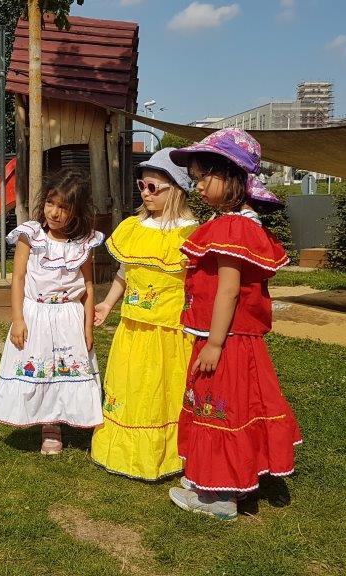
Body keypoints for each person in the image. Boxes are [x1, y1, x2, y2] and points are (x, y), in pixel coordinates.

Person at [166, 128, 302, 520]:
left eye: (203, 177)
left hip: (224, 338)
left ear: (232, 176)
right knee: (235, 408)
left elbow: (228, 292)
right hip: (236, 338)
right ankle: (227, 480)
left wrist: (212, 343)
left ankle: (219, 497)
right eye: (195, 180)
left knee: (218, 407)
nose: (198, 187)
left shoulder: (231, 228)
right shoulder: (240, 223)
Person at [89, 148, 199, 479]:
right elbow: (126, 270)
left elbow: (197, 284)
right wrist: (108, 304)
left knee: (162, 389)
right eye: (142, 186)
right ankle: (123, 451)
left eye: (153, 188)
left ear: (176, 190)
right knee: (132, 386)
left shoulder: (190, 232)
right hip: (133, 328)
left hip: (169, 330)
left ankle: (166, 455)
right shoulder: (135, 226)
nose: (145, 193)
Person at [0, 168, 104, 454]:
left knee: (65, 367)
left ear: (76, 211)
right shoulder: (31, 235)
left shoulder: (83, 244)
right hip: (35, 315)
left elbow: (88, 286)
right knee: (41, 366)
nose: (54, 212)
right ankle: (47, 426)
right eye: (51, 203)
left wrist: (87, 328)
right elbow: (18, 278)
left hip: (68, 317)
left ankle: (65, 418)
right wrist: (17, 319)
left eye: (63, 207)